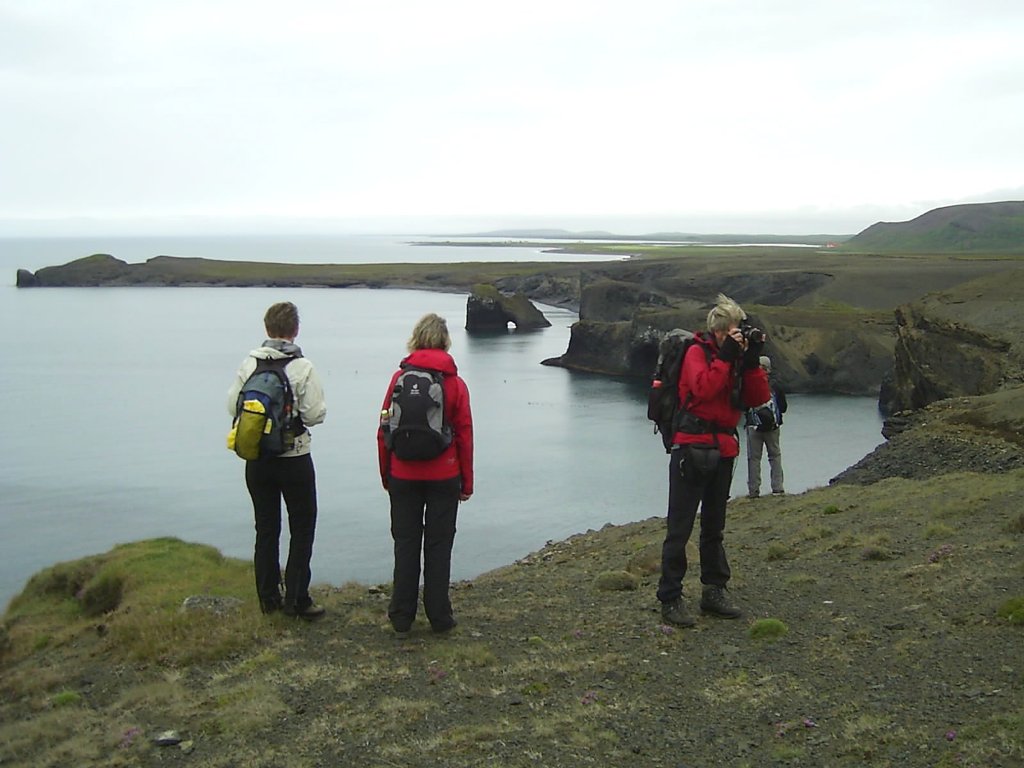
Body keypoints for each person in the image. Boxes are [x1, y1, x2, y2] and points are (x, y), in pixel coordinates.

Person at [657, 294, 771, 627]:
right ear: (719, 331)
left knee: (714, 526)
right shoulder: (696, 353)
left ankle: (714, 590)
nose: (739, 336)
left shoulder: (735, 358)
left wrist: (750, 364)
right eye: (734, 331)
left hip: (723, 449)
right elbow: (703, 390)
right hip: (691, 447)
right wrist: (725, 358)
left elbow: (757, 399)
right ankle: (670, 597)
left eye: (741, 331)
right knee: (680, 526)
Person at [227, 301, 327, 618]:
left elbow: (233, 408)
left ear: (267, 328)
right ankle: (297, 599)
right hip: (294, 457)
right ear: (295, 330)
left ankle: (268, 599)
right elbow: (314, 414)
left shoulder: (248, 364)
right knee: (302, 527)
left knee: (266, 529)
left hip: (257, 459)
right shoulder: (302, 367)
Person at [377, 313, 474, 635]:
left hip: (402, 474)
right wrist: (467, 482)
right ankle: (439, 616)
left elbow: (383, 429)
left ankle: (401, 616)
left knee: (405, 543)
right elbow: (464, 434)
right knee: (438, 545)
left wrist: (387, 474)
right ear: (445, 341)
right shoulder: (455, 384)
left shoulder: (398, 379)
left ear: (415, 339)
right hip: (444, 475)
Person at [745, 355, 788, 498]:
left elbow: (743, 403)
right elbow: (783, 407)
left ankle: (753, 491)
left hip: (753, 425)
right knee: (775, 456)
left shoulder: (749, 382)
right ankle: (778, 488)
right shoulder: (776, 384)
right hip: (773, 427)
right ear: (768, 369)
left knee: (754, 458)